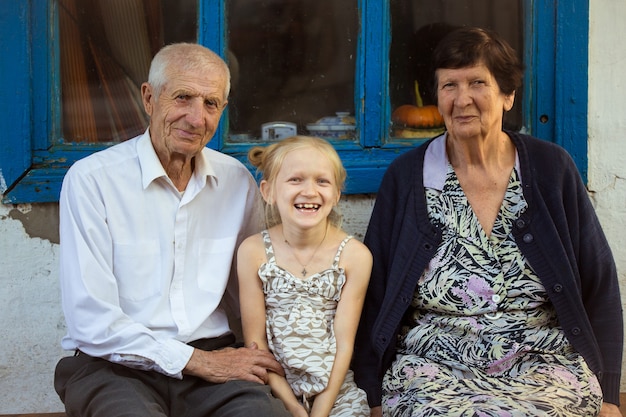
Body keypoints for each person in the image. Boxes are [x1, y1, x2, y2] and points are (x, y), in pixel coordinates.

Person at [353, 27, 623, 417]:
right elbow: (374, 292)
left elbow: (599, 284)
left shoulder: (551, 169)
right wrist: (373, 395)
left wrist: (611, 396)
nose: (462, 99)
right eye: (449, 85)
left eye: (478, 82)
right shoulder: (408, 176)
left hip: (543, 364)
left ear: (508, 94)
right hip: (433, 367)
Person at [54, 43, 292, 417]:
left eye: (211, 104)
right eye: (183, 97)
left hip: (215, 360)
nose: (197, 118)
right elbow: (91, 320)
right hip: (114, 366)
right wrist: (194, 361)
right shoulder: (92, 181)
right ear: (149, 98)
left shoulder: (236, 181)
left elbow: (248, 292)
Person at [237, 136, 372, 417]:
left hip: (334, 392)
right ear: (268, 191)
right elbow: (256, 343)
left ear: (336, 194)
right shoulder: (253, 252)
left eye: (322, 181)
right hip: (272, 388)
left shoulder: (354, 257)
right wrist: (294, 408)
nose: (309, 191)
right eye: (295, 180)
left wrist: (321, 410)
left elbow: (344, 342)